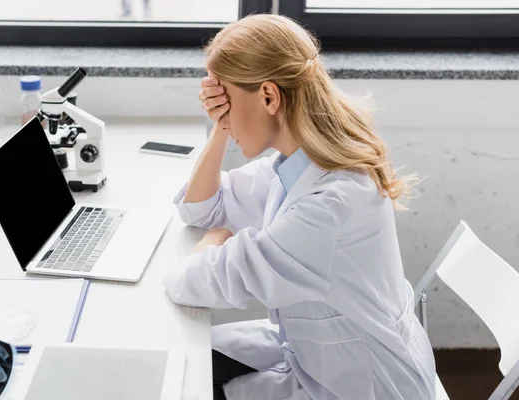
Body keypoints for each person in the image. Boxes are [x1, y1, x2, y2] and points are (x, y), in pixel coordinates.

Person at [163, 14, 436, 400]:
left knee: (184, 380)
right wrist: (223, 127)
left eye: (226, 97)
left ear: (270, 97)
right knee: (188, 357)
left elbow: (190, 282)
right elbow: (201, 209)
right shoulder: (296, 165)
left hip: (363, 386)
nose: (220, 109)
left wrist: (217, 239)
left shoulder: (331, 204)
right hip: (319, 356)